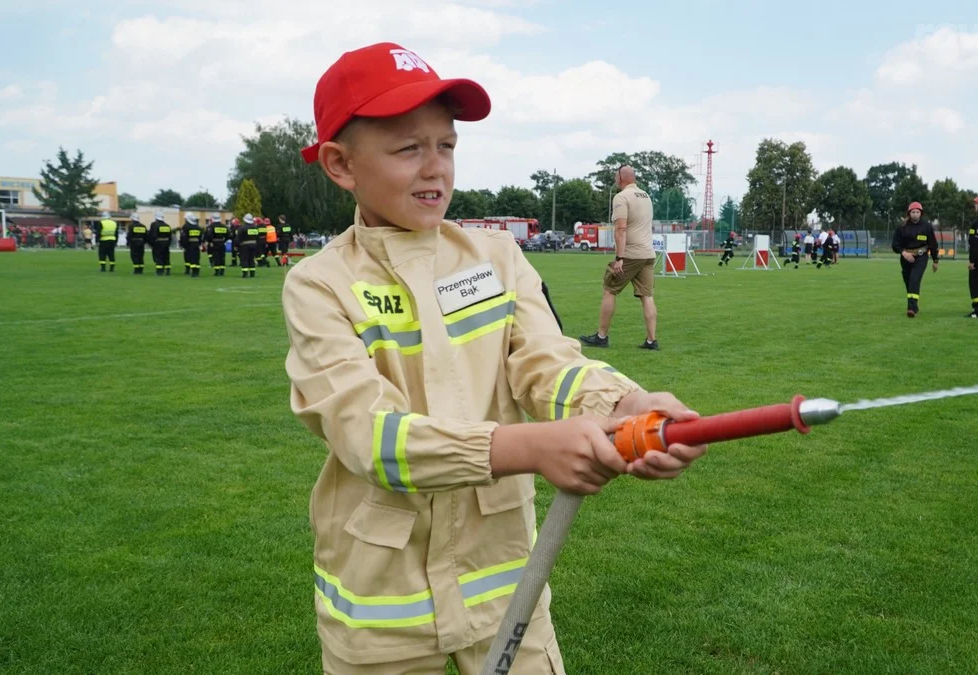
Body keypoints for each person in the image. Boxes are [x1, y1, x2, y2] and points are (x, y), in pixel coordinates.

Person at [282, 41, 707, 675]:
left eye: (446, 146)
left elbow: (546, 365)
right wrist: (531, 448)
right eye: (408, 148)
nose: (436, 168)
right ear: (341, 165)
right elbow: (371, 437)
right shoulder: (319, 284)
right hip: (381, 610)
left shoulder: (497, 257)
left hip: (507, 586)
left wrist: (625, 404)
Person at [579, 165, 659, 350]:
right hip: (648, 254)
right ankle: (651, 340)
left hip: (630, 254)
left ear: (621, 178)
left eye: (616, 175)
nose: (615, 178)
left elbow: (621, 229)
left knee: (609, 290)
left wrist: (619, 257)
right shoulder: (646, 196)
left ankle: (601, 336)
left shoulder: (621, 197)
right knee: (647, 296)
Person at [891, 202, 939, 317]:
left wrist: (935, 260)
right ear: (909, 213)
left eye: (918, 212)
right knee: (908, 281)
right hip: (906, 258)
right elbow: (895, 244)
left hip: (921, 257)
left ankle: (911, 308)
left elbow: (933, 244)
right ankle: (914, 306)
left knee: (914, 279)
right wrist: (904, 253)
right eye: (913, 212)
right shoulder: (902, 227)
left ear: (921, 213)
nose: (915, 215)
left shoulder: (926, 226)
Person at [148, 210, 172, 276]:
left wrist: (151, 243)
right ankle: (168, 270)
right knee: (166, 257)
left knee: (158, 257)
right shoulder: (167, 225)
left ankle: (159, 271)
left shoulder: (154, 224)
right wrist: (168, 243)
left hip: (158, 243)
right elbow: (170, 236)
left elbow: (152, 235)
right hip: (166, 243)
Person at [180, 212, 204, 277]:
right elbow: (201, 237)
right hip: (196, 244)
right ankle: (197, 271)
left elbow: (184, 237)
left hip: (189, 245)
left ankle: (193, 272)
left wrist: (183, 245)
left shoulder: (186, 226)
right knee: (196, 258)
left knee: (190, 258)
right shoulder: (197, 227)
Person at [237, 214, 259, 278]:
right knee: (251, 259)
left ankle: (245, 274)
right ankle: (252, 274)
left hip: (245, 245)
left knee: (245, 259)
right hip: (254, 245)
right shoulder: (255, 227)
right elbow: (257, 237)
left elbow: (238, 237)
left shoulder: (242, 227)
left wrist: (237, 245)